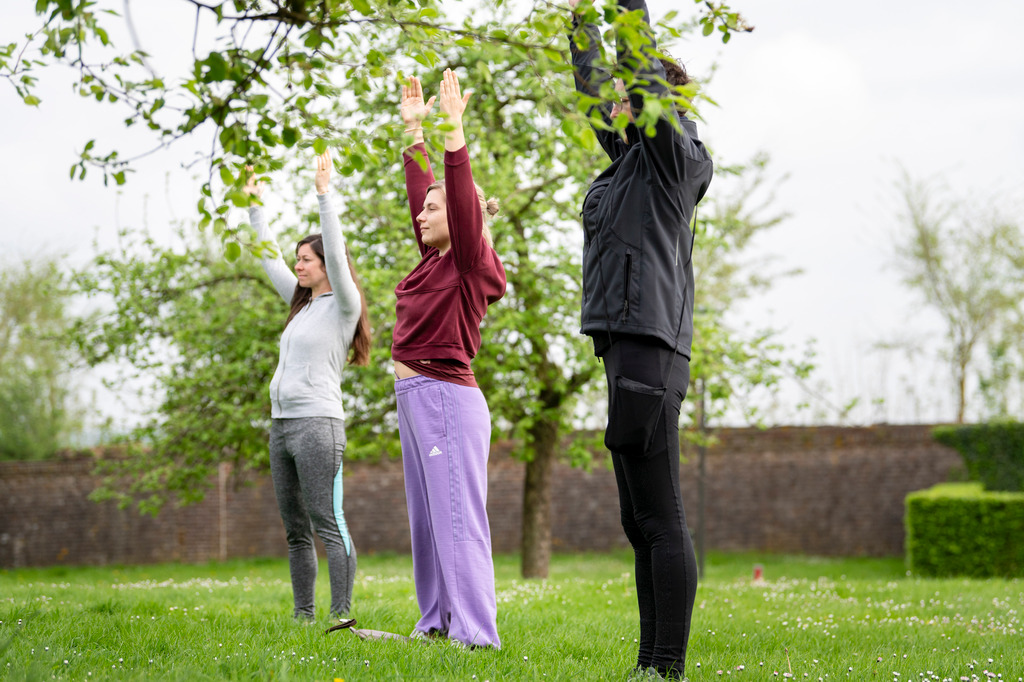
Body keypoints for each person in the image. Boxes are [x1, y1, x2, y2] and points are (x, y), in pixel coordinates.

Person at [568, 0, 714, 678]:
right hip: (625, 340)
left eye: (637, 95)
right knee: (639, 522)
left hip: (649, 342)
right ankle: (648, 666)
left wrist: (628, 13)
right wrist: (579, 23)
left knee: (661, 515)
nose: (620, 106)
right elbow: (598, 93)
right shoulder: (632, 160)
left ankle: (668, 667)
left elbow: (635, 84)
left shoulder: (670, 158)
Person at [393, 70, 506, 649]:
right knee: (428, 519)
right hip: (414, 399)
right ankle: (436, 622)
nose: (422, 213)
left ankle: (476, 635)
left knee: (458, 518)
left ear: (463, 220)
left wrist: (452, 132)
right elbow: (427, 198)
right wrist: (414, 135)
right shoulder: (430, 262)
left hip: (444, 397)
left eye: (435, 209)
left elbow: (455, 204)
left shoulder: (468, 259)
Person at [243, 151, 371, 623]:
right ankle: (303, 615)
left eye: (306, 259)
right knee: (295, 529)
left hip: (319, 425)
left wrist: (324, 195)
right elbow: (266, 259)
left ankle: (341, 615)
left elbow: (337, 254)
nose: (299, 266)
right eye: (297, 259)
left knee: (327, 523)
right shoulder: (299, 306)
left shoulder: (344, 305)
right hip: (281, 427)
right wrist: (255, 207)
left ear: (324, 266)